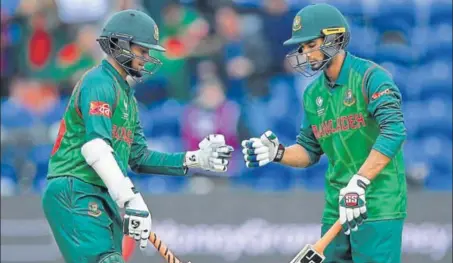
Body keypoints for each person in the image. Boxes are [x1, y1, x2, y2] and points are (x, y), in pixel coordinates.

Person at [41, 9, 234, 263]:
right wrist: (130, 198)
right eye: (142, 50)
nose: (147, 57)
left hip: (101, 193)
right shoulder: (99, 82)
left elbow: (139, 157)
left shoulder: (128, 98)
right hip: (75, 187)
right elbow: (95, 148)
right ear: (120, 45)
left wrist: (194, 159)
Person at [241, 4, 407, 263]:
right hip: (336, 206)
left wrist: (359, 182)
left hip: (378, 205)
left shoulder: (371, 77)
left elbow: (394, 131)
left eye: (310, 45)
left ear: (334, 37)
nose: (305, 54)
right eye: (302, 48)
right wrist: (278, 153)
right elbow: (309, 150)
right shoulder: (312, 93)